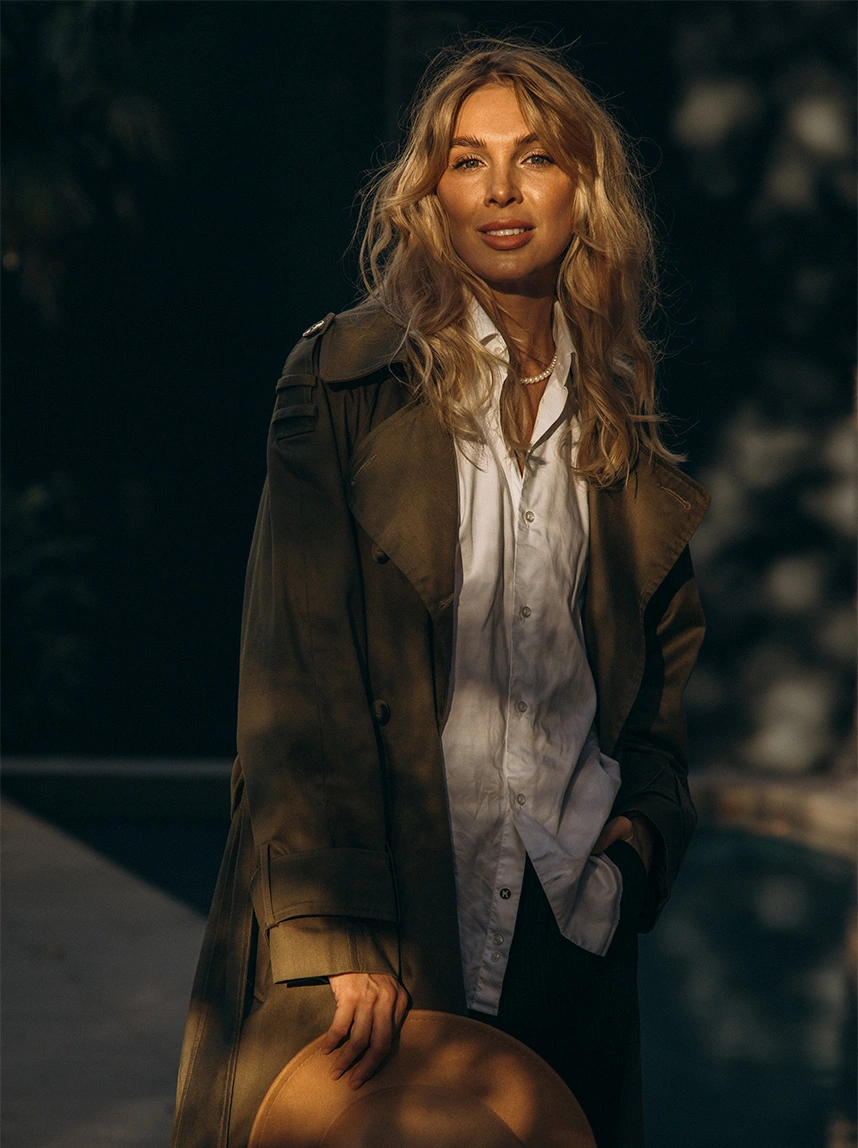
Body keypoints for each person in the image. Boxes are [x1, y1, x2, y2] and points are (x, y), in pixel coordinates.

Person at [170, 39, 709, 1148]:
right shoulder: (341, 384)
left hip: (564, 939)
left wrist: (635, 848)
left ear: (585, 192)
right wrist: (339, 927)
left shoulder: (623, 436)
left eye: (536, 159)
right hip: (375, 947)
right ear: (431, 194)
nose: (502, 191)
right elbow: (296, 669)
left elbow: (652, 702)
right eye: (469, 161)